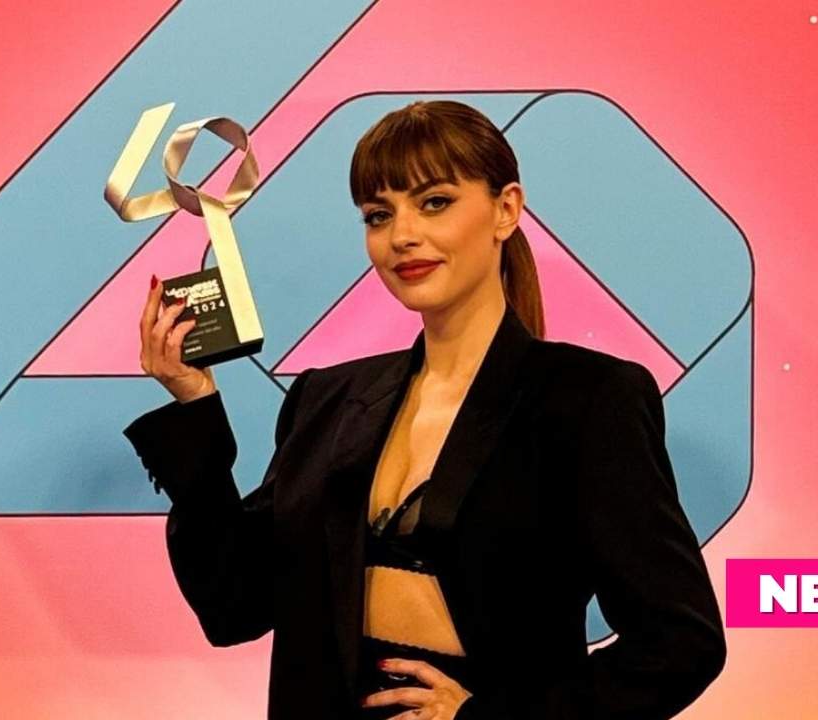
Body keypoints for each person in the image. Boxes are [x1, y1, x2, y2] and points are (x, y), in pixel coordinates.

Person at [124, 100, 726, 719]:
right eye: (378, 215)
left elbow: (680, 644)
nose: (402, 235)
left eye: (434, 202)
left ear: (506, 209)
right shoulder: (325, 399)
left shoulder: (589, 398)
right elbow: (233, 605)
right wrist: (194, 402)